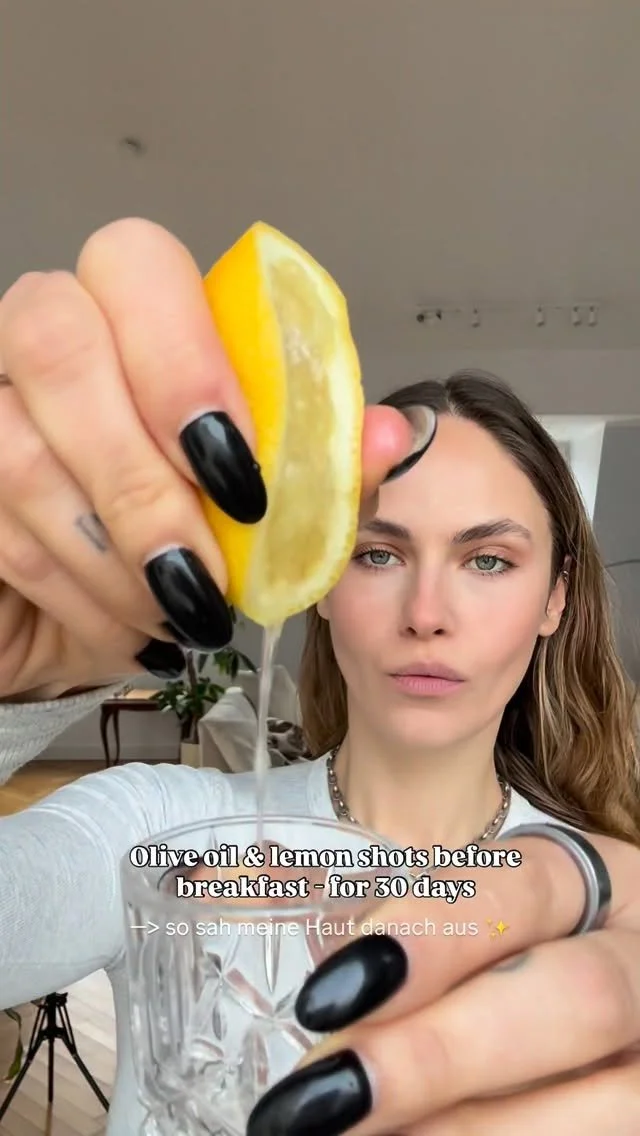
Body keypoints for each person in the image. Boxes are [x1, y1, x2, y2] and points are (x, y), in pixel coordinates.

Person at [0, 220, 638, 1136]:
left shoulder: (610, 910)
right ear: (325, 582)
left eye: (488, 560)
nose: (427, 612)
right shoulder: (159, 835)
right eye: (378, 554)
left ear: (554, 601)